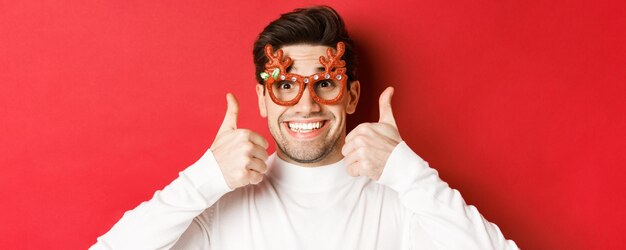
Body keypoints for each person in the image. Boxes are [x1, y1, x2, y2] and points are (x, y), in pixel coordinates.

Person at [91, 6, 518, 250]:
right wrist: (203, 178)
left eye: (326, 83)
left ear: (351, 96)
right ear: (261, 98)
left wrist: (409, 173)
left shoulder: (402, 201)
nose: (306, 103)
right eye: (285, 86)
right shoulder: (218, 204)